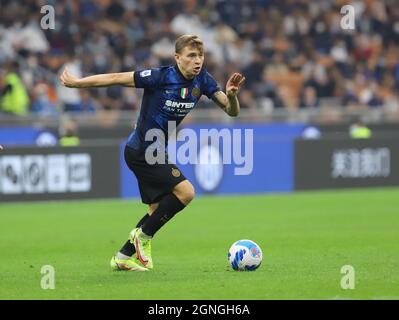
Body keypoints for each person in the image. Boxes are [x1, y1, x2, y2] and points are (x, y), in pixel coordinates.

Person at [60, 34, 245, 272]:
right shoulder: (160, 77)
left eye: (200, 55)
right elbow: (116, 78)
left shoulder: (204, 81)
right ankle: (143, 237)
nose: (197, 60)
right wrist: (78, 83)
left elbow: (232, 112)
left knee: (157, 211)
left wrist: (232, 96)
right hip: (141, 150)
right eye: (191, 56)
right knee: (186, 192)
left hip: (156, 151)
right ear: (178, 58)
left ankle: (123, 257)